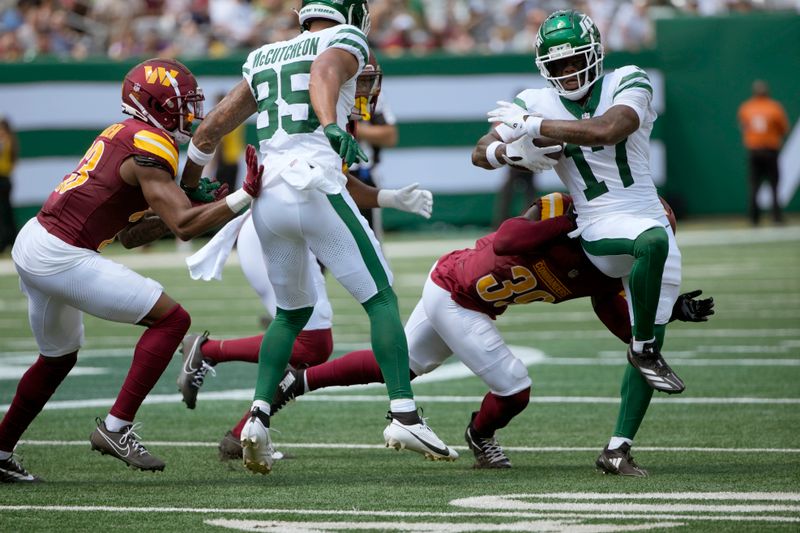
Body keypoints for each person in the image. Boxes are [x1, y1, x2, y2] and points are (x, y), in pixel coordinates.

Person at [196, 193, 712, 472]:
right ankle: (480, 434)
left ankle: (294, 384)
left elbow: (614, 316)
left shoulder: (611, 273)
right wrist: (569, 225)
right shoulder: (567, 212)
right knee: (514, 386)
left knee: (399, 365)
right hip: (458, 289)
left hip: (460, 293)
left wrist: (670, 314)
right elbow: (510, 237)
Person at [181, 0, 456, 475]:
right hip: (314, 185)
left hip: (267, 198)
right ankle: (404, 414)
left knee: (290, 315)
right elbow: (325, 72)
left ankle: (258, 419)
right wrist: (330, 124)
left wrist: (188, 186)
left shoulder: (264, 55)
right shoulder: (342, 41)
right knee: (381, 298)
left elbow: (210, 128)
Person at [0, 58, 264, 483]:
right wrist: (241, 198)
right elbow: (182, 227)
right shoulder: (151, 145)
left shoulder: (124, 133)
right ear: (156, 105)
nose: (190, 115)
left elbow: (131, 237)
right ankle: (117, 427)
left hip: (37, 242)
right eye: (182, 105)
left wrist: (194, 203)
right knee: (173, 319)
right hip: (60, 254)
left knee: (56, 358)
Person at [478, 9, 688, 471]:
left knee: (651, 311)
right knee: (651, 250)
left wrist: (534, 127)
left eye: (575, 61)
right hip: (598, 224)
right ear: (544, 69)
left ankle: (617, 448)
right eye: (558, 66)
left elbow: (609, 129)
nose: (568, 72)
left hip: (645, 211)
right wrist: (509, 152)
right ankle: (643, 348)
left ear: (595, 56)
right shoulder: (536, 98)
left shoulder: (628, 80)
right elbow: (480, 152)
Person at [349, 61, 399, 239]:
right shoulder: (319, 89)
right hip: (323, 173)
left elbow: (390, 136)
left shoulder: (369, 94)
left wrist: (349, 126)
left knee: (369, 244)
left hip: (362, 175)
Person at [737, 79, 789, 225]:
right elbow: (783, 128)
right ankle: (776, 218)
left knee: (754, 185)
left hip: (754, 150)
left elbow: (744, 126)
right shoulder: (774, 107)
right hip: (770, 150)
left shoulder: (746, 107)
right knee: (774, 185)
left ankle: (754, 219)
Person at [0, 116, 18, 254]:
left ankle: (7, 240)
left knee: (5, 211)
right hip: (5, 180)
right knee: (6, 211)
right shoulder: (9, 141)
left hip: (3, 180)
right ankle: (9, 240)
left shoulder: (6, 142)